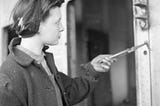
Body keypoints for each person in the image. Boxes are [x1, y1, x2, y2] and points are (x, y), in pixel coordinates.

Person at [0, 0, 115, 106]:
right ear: (37, 25)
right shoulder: (8, 78)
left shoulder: (43, 60)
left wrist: (93, 70)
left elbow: (68, 92)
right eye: (57, 22)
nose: (62, 28)